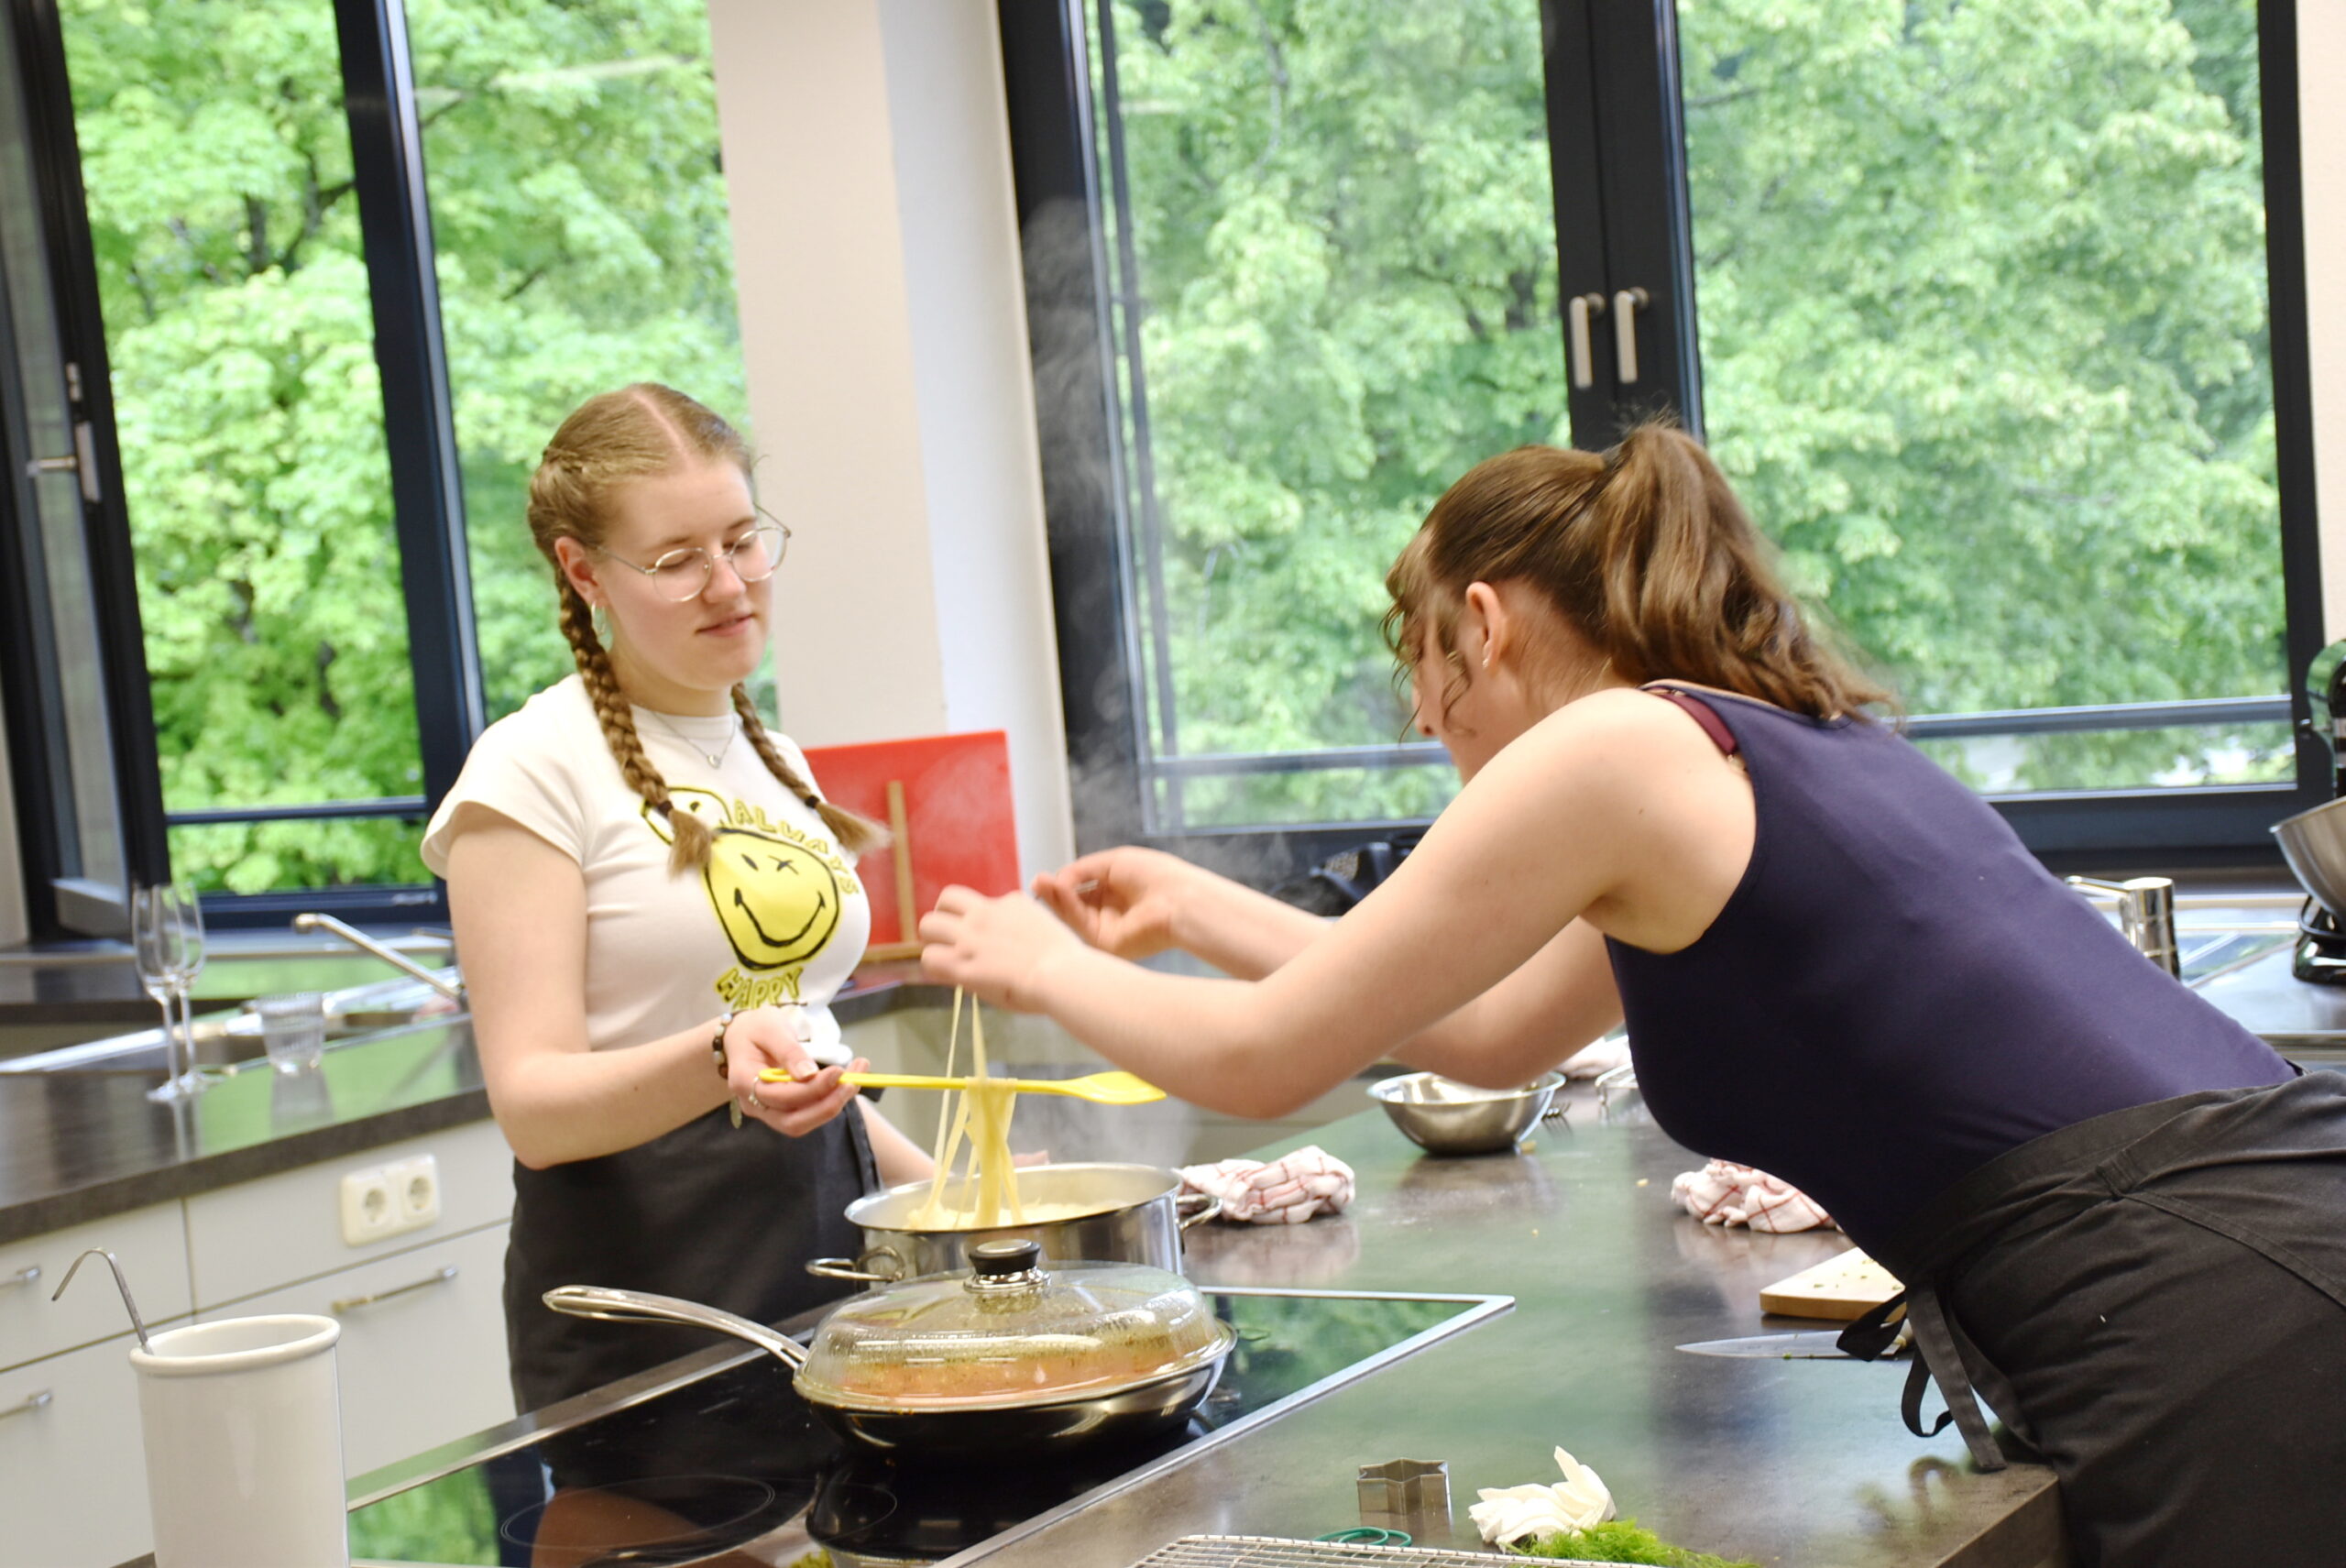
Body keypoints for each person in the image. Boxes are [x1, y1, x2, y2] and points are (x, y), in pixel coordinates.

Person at [919, 424, 2346, 1567]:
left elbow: (1263, 1059)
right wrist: (1192, 906)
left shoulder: (1610, 745)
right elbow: (1485, 1030)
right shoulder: (1737, 742)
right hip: (2265, 1228)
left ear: (1481, 621)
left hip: (2197, 1293)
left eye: (1419, 661)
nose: (1422, 715)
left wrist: (1038, 962)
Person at [421, 384, 933, 1411]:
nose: (728, 584)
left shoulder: (775, 757)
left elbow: (808, 1055)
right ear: (584, 571)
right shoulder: (528, 770)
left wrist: (954, 1196)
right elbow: (533, 1108)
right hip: (649, 1311)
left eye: (742, 541)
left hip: (832, 1273)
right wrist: (718, 1051)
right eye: (676, 560)